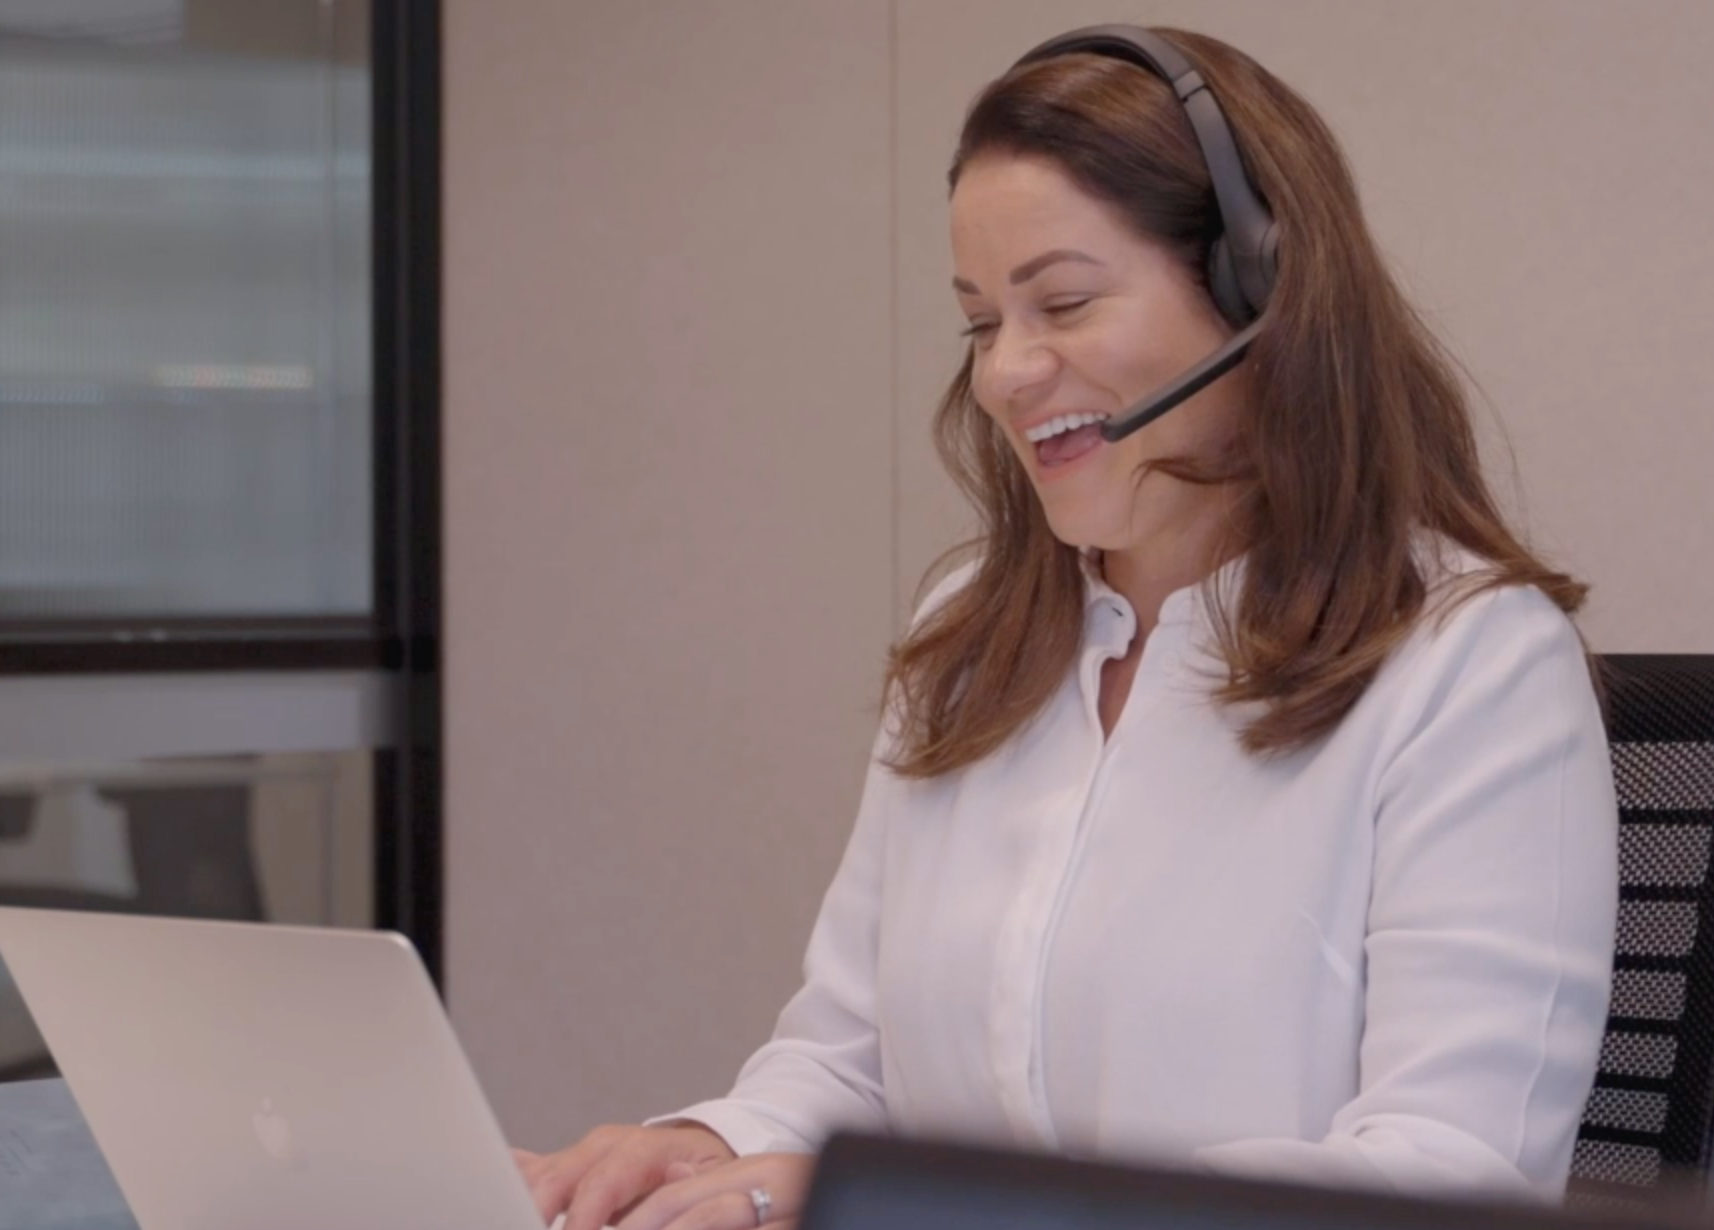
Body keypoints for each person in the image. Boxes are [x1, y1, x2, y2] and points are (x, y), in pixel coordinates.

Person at [515, 24, 1618, 1230]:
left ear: (1259, 291)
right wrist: (696, 1149)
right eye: (982, 322)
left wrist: (910, 1208)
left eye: (1064, 302)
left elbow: (1447, 1172)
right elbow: (846, 1058)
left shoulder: (1467, 663)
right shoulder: (971, 640)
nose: (1004, 374)